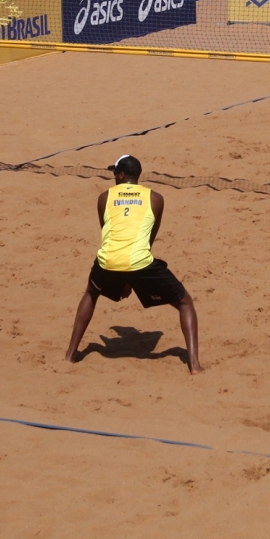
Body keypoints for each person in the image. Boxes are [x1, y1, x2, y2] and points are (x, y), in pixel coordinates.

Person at [64, 155, 203, 374]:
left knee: (91, 293)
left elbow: (107, 234)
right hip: (140, 261)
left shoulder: (104, 197)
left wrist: (124, 280)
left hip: (108, 260)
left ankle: (70, 355)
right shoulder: (156, 198)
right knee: (185, 303)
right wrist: (130, 278)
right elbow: (148, 239)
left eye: (114, 173)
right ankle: (194, 366)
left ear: (121, 175)